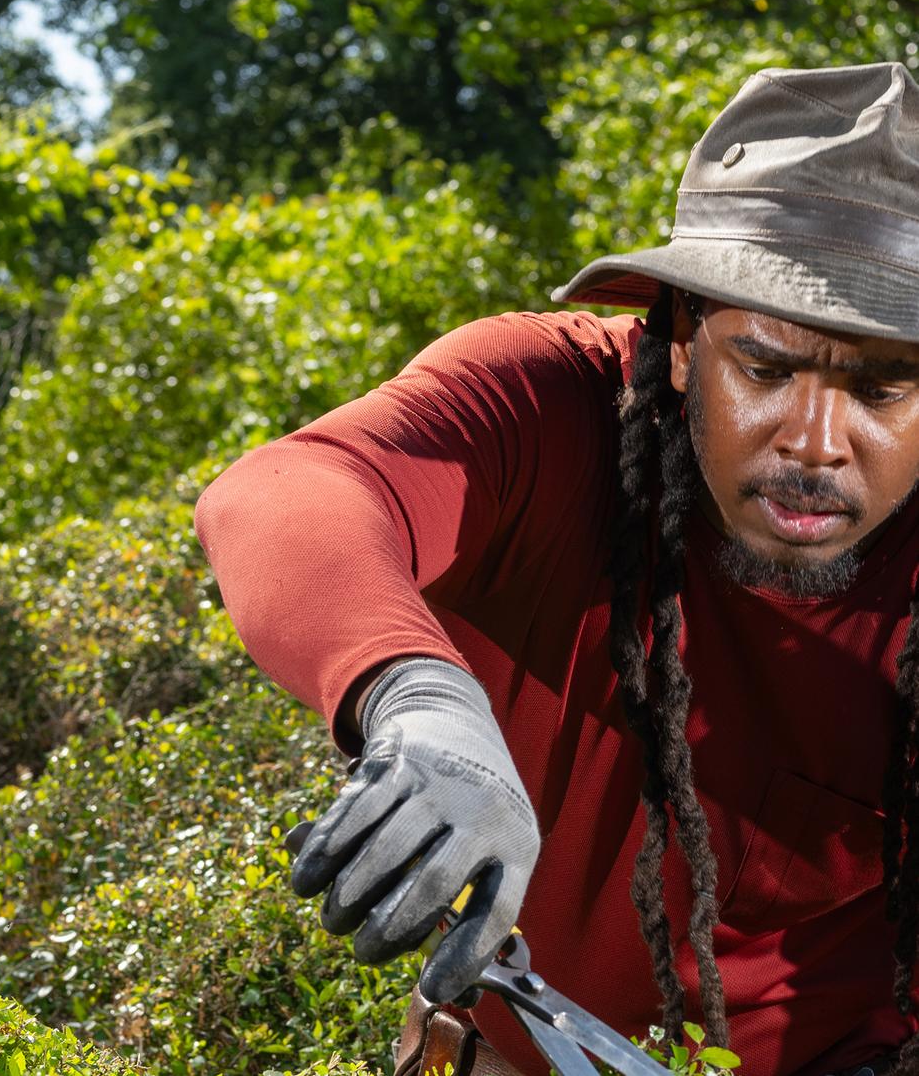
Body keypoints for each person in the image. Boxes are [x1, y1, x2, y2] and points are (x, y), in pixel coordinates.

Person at [194, 62, 919, 1076]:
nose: (813, 441)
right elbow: (288, 490)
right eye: (765, 367)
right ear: (677, 338)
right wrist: (418, 694)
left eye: (881, 390)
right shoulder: (550, 406)